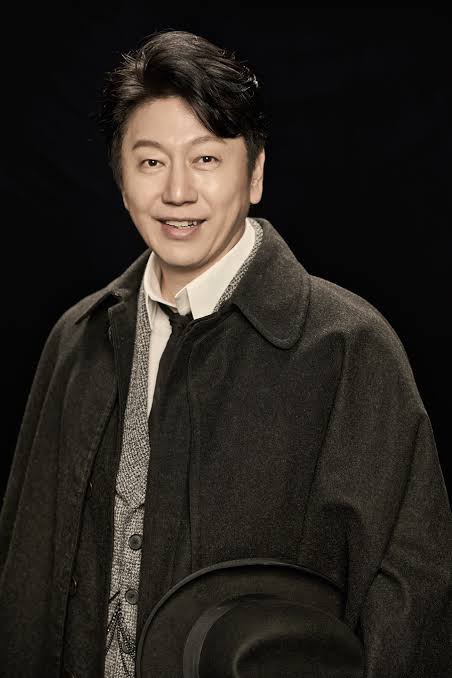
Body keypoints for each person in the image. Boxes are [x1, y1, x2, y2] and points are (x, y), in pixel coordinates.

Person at [0, 28, 451, 678]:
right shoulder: (79, 339)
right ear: (121, 180)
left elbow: (412, 603)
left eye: (207, 158)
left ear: (255, 172)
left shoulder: (347, 348)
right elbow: (24, 578)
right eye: (150, 162)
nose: (177, 191)